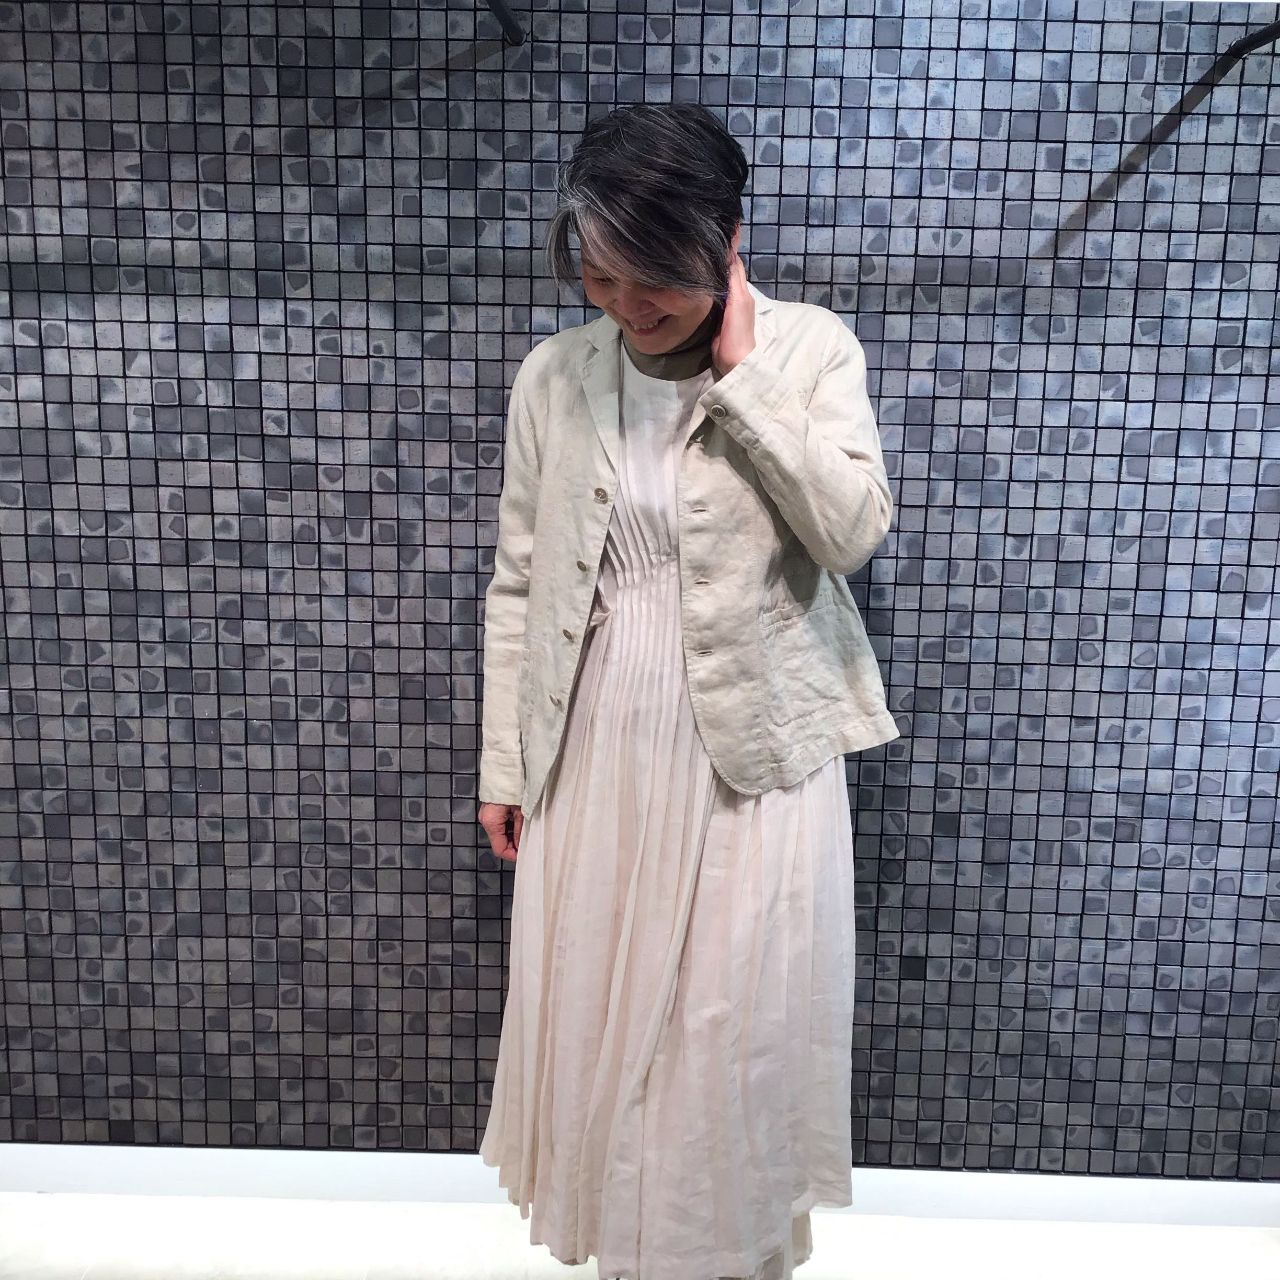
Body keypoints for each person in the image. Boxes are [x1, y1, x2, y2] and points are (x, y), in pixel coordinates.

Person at [475, 102, 899, 1280]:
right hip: (594, 738)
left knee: (729, 1022)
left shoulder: (808, 351)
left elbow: (849, 532)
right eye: (597, 273)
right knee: (603, 1015)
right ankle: (633, 1256)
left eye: (651, 274)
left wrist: (742, 379)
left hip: (752, 750)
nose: (624, 303)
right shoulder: (555, 374)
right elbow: (520, 582)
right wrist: (504, 763)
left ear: (725, 241)